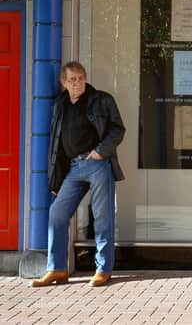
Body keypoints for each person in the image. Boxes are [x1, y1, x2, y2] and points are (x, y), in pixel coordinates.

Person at [31, 61, 125, 287]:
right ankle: (57, 269)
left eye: (81, 78)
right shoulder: (59, 105)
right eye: (72, 79)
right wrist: (56, 177)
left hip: (97, 164)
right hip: (73, 168)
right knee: (57, 214)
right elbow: (56, 145)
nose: (77, 83)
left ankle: (103, 270)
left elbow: (117, 129)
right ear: (63, 82)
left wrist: (100, 152)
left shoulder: (101, 99)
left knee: (102, 216)